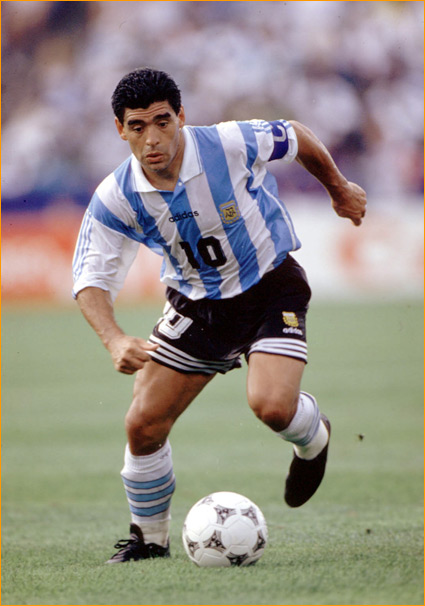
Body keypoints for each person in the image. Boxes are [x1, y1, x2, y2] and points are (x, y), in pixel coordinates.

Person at [72, 67, 367, 564]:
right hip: (197, 305)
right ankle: (149, 540)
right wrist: (113, 339)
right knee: (143, 424)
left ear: (181, 117)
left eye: (162, 122)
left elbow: (296, 135)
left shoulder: (227, 143)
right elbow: (89, 278)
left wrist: (338, 189)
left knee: (272, 407)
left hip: (270, 285)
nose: (152, 139)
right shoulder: (115, 196)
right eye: (138, 127)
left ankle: (314, 436)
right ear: (120, 129)